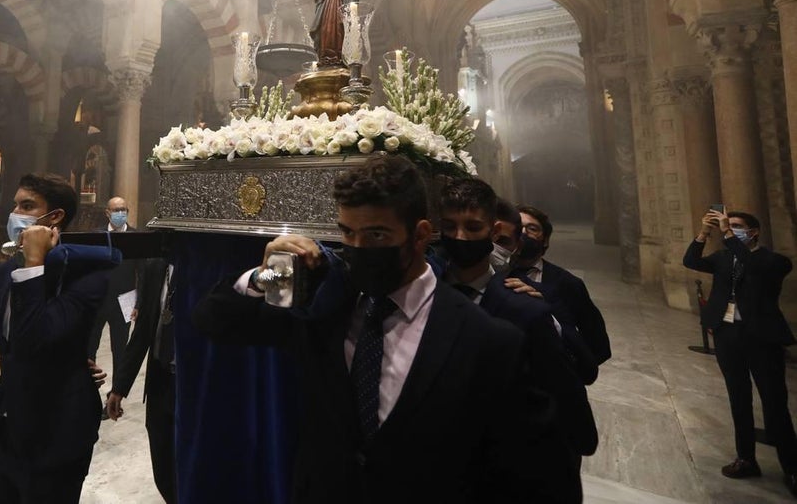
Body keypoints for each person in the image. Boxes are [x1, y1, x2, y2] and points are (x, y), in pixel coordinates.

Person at [193, 155, 573, 503]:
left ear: (422, 235)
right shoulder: (326, 313)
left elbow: (542, 481)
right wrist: (266, 275)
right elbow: (214, 320)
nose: (358, 248)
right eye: (347, 234)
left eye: (376, 236)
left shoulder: (487, 340)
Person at [439, 178, 596, 484]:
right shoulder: (428, 292)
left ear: (493, 233)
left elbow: (570, 407)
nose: (460, 238)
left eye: (472, 228)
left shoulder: (529, 308)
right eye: (449, 227)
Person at [0, 173, 114, 504]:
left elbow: (36, 337)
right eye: (15, 204)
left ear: (54, 218)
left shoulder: (89, 277)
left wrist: (35, 263)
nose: (15, 213)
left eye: (27, 206)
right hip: (6, 426)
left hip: (58, 433)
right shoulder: (4, 274)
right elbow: (10, 349)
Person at [684, 208, 797, 495]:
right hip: (728, 335)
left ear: (754, 231)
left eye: (736, 226)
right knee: (738, 398)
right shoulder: (723, 258)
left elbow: (754, 267)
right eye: (728, 224)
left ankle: (792, 467)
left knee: (774, 402)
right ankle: (746, 458)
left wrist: (728, 234)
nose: (729, 228)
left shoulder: (773, 261)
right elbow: (691, 260)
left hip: (761, 338)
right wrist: (704, 232)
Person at [104, 256, 177, 503]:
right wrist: (119, 387)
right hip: (160, 381)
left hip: (195, 386)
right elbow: (143, 330)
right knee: (163, 464)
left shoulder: (207, 267)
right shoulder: (157, 266)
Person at [515, 204, 611, 368]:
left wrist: (567, 373)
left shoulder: (567, 284)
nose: (523, 233)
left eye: (532, 228)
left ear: (545, 240)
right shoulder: (492, 273)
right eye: (517, 227)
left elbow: (598, 344)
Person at [88, 196, 137, 396]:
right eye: (116, 210)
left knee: (120, 351)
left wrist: (139, 303)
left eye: (123, 209)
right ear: (107, 213)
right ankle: (89, 390)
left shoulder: (135, 237)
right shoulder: (97, 236)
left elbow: (142, 272)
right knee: (90, 346)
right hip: (98, 300)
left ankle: (115, 394)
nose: (120, 213)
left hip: (125, 301)